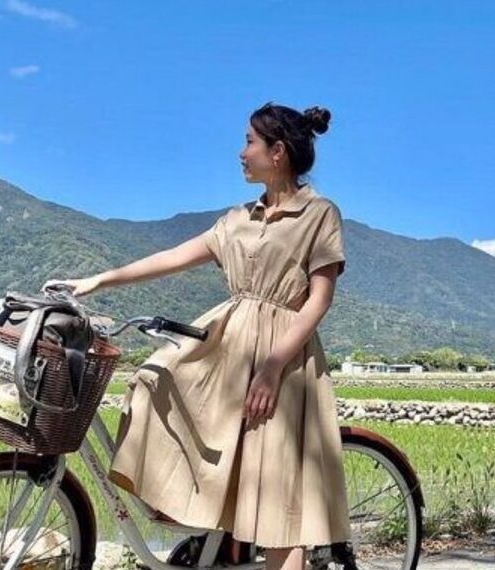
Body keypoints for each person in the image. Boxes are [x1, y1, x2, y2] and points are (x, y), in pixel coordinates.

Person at [45, 103, 349, 570]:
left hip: (284, 361)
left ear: (278, 151)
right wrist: (98, 280)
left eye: (250, 141)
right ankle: (186, 514)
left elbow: (318, 300)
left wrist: (271, 368)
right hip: (229, 349)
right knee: (151, 378)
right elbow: (173, 256)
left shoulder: (319, 214)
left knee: (277, 501)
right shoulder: (237, 219)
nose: (241, 152)